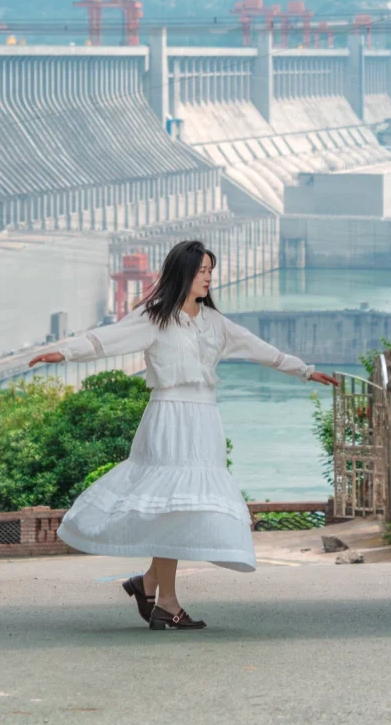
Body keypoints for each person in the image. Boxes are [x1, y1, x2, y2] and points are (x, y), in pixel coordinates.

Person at [28, 239, 336, 631]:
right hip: (168, 417)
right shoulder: (155, 317)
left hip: (204, 421)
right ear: (183, 273)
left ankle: (149, 584)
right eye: (201, 271)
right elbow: (108, 339)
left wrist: (305, 371)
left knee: (182, 506)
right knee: (169, 506)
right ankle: (166, 602)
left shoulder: (215, 323)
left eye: (210, 271)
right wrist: (65, 352)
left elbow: (259, 349)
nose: (208, 278)